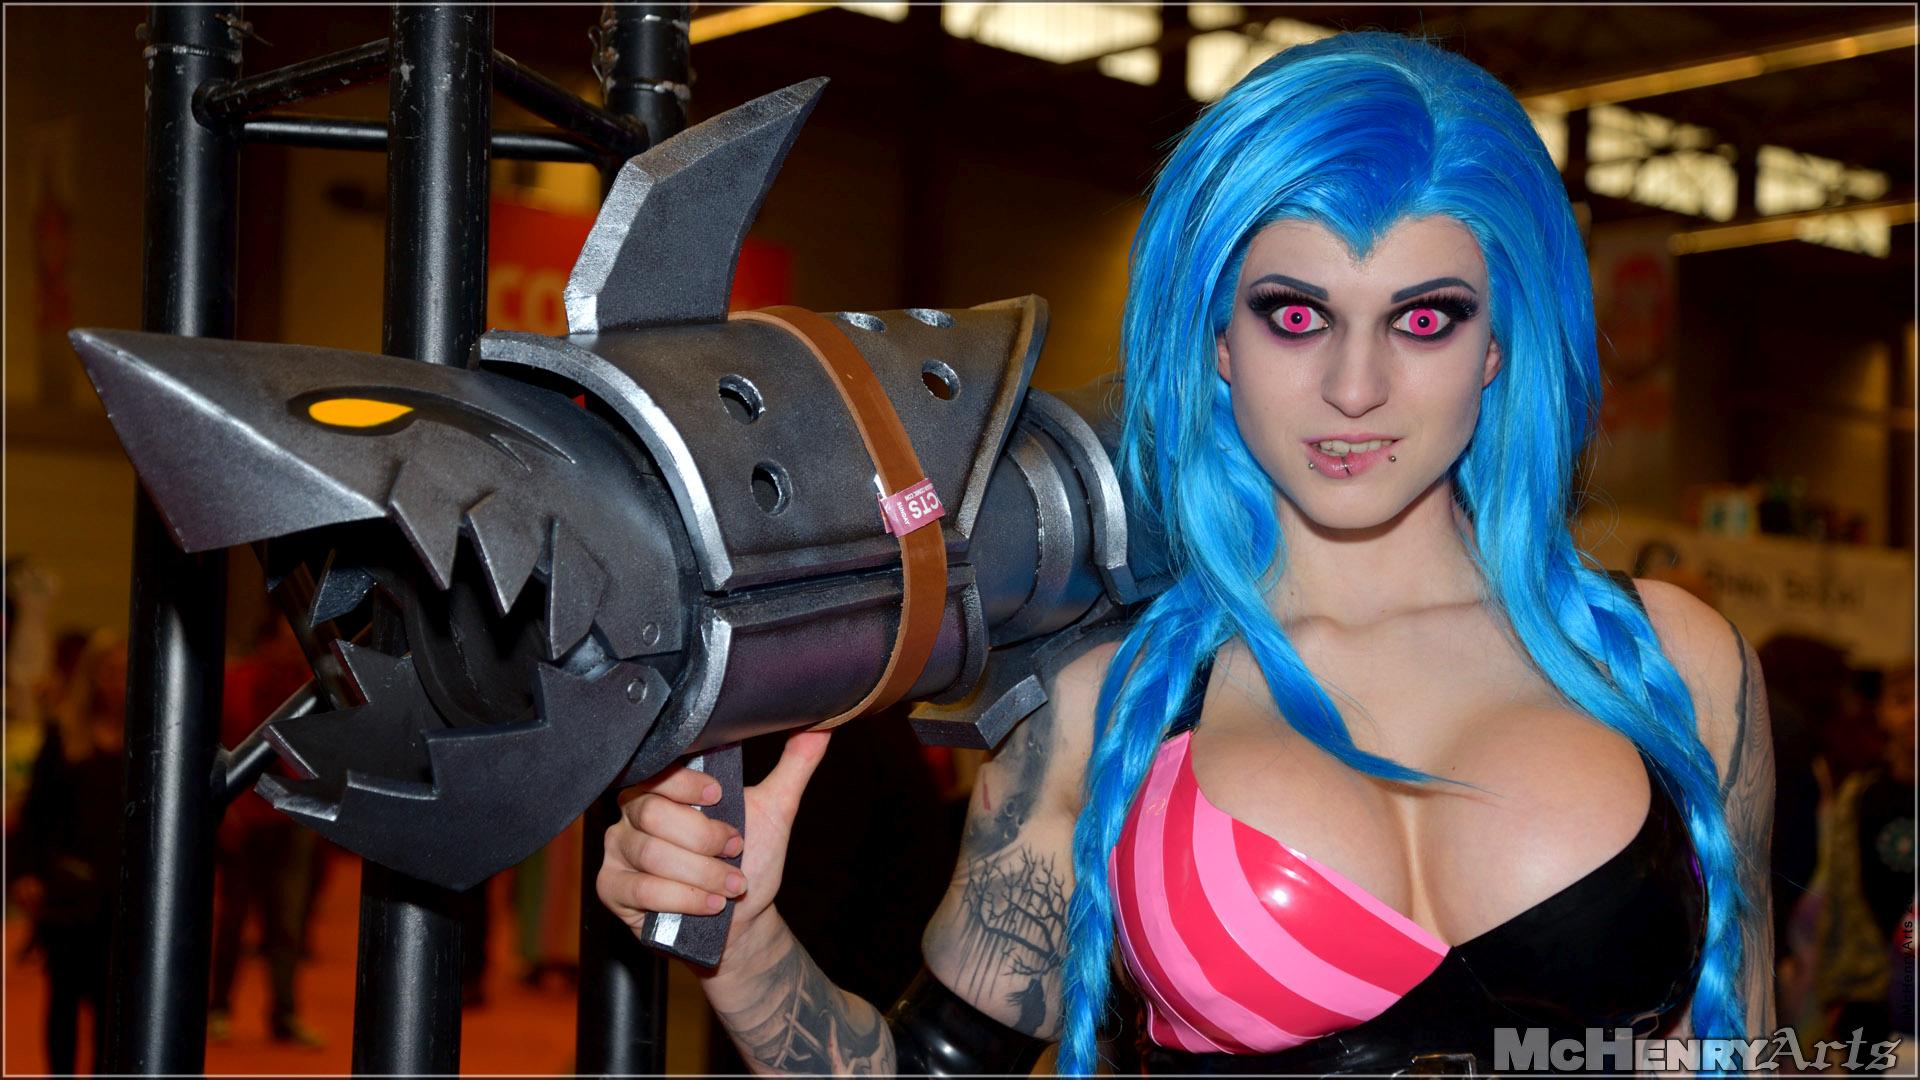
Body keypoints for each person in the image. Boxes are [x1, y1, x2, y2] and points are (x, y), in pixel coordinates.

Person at [597, 32, 1776, 1074]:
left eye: (1422, 319)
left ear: (1501, 343)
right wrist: (743, 945)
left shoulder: (1674, 665)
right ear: (1215, 339)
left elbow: (1742, 1041)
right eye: (1296, 314)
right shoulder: (1107, 707)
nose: (1354, 387)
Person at [7, 632, 128, 1075]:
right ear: (91, 677)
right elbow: (36, 812)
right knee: (63, 996)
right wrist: (25, 872)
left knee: (111, 1001)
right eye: (109, 672)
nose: (117, 682)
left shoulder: (148, 738)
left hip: (123, 891)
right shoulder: (64, 734)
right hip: (68, 887)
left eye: (125, 672)